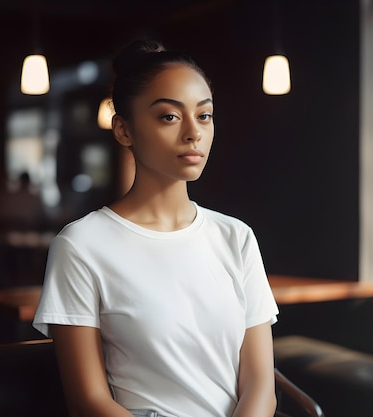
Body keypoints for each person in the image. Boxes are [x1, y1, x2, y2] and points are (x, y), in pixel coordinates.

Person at [33, 40, 279, 417]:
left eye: (205, 115)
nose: (193, 133)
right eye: (169, 116)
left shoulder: (236, 237)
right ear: (123, 130)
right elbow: (88, 401)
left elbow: (261, 385)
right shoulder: (81, 245)